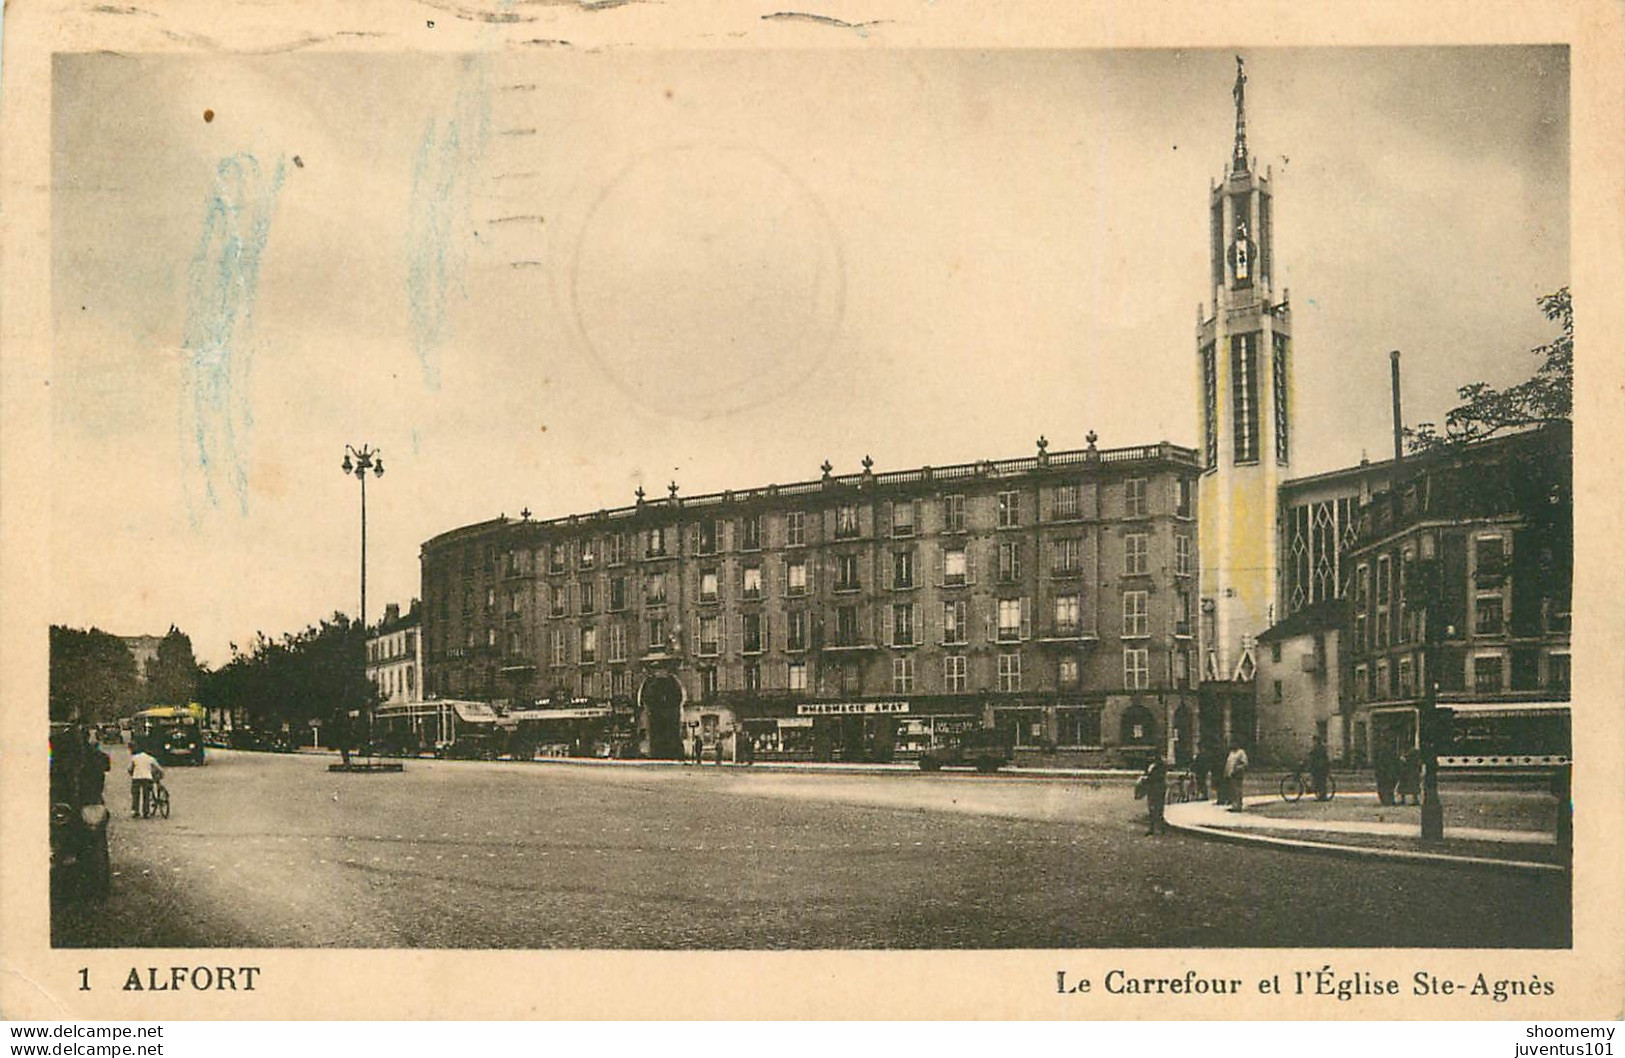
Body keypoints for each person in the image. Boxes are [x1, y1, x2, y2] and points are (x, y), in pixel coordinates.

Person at [127, 742, 164, 819]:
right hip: (147, 778)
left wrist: (132, 774)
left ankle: (135, 811)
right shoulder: (150, 758)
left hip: (136, 778)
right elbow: (159, 769)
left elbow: (130, 769)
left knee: (135, 795)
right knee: (146, 795)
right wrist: (161, 775)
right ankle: (145, 812)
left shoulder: (135, 758)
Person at [1140, 757, 1169, 836]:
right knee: (1151, 808)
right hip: (1151, 788)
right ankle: (1152, 827)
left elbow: (1159, 776)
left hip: (1158, 788)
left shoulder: (1161, 765)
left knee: (1158, 808)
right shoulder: (1150, 765)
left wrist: (1148, 778)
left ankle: (1160, 827)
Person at [1224, 742, 1249, 812]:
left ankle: (1238, 806)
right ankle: (1234, 805)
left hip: (1237, 774)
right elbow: (1228, 763)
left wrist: (1237, 769)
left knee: (1237, 790)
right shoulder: (1231, 753)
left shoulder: (1241, 752)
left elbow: (1245, 763)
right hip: (1231, 774)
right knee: (1232, 790)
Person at [1307, 735, 1331, 802]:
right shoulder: (1319, 747)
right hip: (1319, 767)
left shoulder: (1319, 748)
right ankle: (1321, 795)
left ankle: (1322, 796)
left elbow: (1315, 756)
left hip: (1320, 767)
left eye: (1314, 741)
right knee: (1320, 782)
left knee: (1320, 782)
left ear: (1317, 741)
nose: (1313, 742)